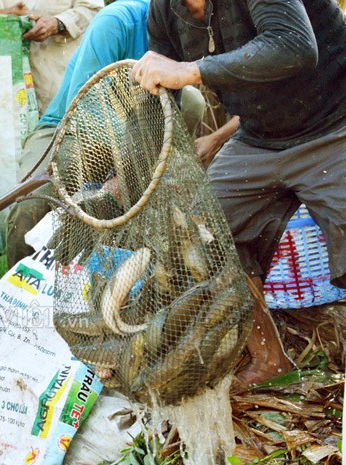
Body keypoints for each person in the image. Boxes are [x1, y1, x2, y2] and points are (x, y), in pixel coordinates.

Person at [131, 0, 346, 385]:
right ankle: (269, 360)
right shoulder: (164, 10)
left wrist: (191, 70)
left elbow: (294, 45)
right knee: (199, 235)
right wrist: (133, 168)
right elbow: (157, 96)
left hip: (335, 124)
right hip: (259, 138)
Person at [5, 0, 151, 266]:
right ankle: (18, 297)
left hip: (136, 141)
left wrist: (125, 176)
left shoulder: (191, 35)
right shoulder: (117, 21)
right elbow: (83, 109)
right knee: (30, 205)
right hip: (64, 126)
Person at [0, 0, 104, 142]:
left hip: (56, 89)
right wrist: (4, 15)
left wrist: (58, 23)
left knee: (58, 158)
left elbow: (92, 9)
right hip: (2, 86)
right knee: (1, 158)